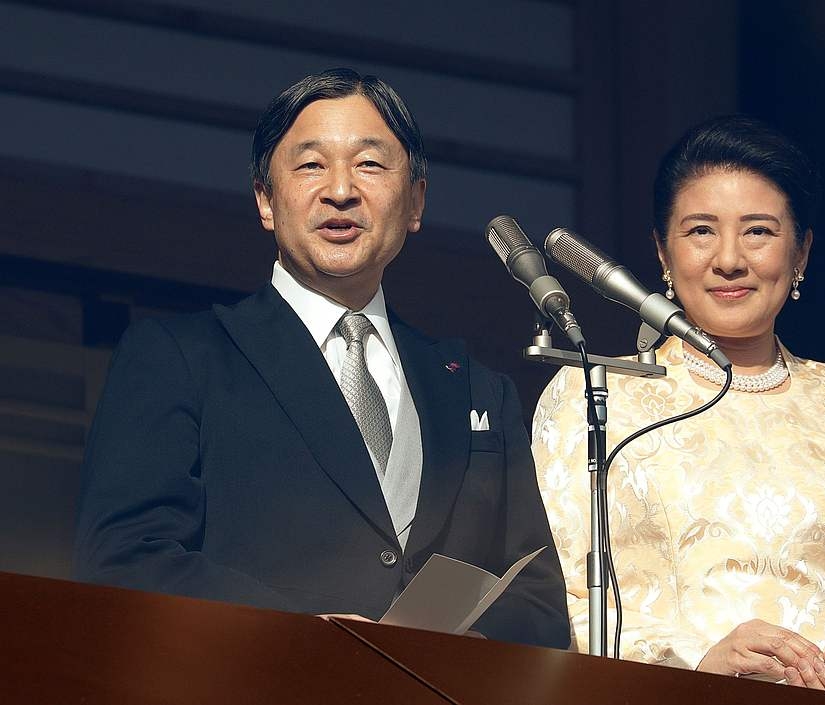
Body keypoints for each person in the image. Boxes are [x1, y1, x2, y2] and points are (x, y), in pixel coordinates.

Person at [73, 68, 569, 649]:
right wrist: (305, 639)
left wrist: (462, 653)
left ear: (416, 201)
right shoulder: (181, 357)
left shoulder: (479, 391)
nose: (340, 190)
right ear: (265, 199)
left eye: (370, 164)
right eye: (311, 165)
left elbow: (537, 603)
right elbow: (125, 558)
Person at [531, 115, 825, 697]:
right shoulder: (595, 394)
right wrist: (699, 667)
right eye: (701, 230)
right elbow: (561, 599)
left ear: (801, 251)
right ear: (662, 251)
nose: (729, 259)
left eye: (758, 231)